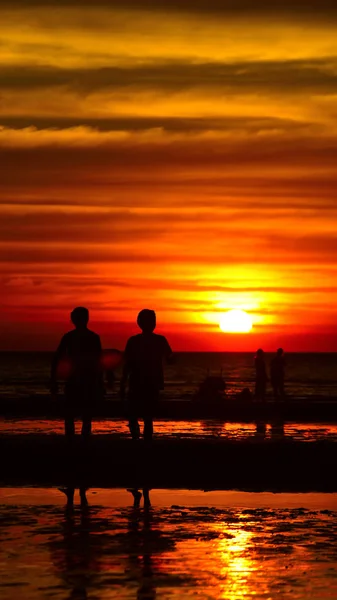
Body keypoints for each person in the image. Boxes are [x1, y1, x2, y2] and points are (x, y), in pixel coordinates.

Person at [120, 309, 173, 441]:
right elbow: (170, 359)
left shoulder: (134, 340)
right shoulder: (159, 340)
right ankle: (143, 440)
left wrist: (122, 382)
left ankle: (137, 438)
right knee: (146, 416)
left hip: (140, 382)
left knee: (137, 414)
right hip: (148, 382)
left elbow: (127, 364)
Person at [50, 306, 103, 438]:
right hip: (84, 380)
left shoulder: (70, 337)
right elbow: (99, 361)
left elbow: (57, 358)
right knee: (84, 415)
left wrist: (53, 379)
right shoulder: (92, 337)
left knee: (72, 415)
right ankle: (81, 441)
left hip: (79, 379)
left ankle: (72, 441)